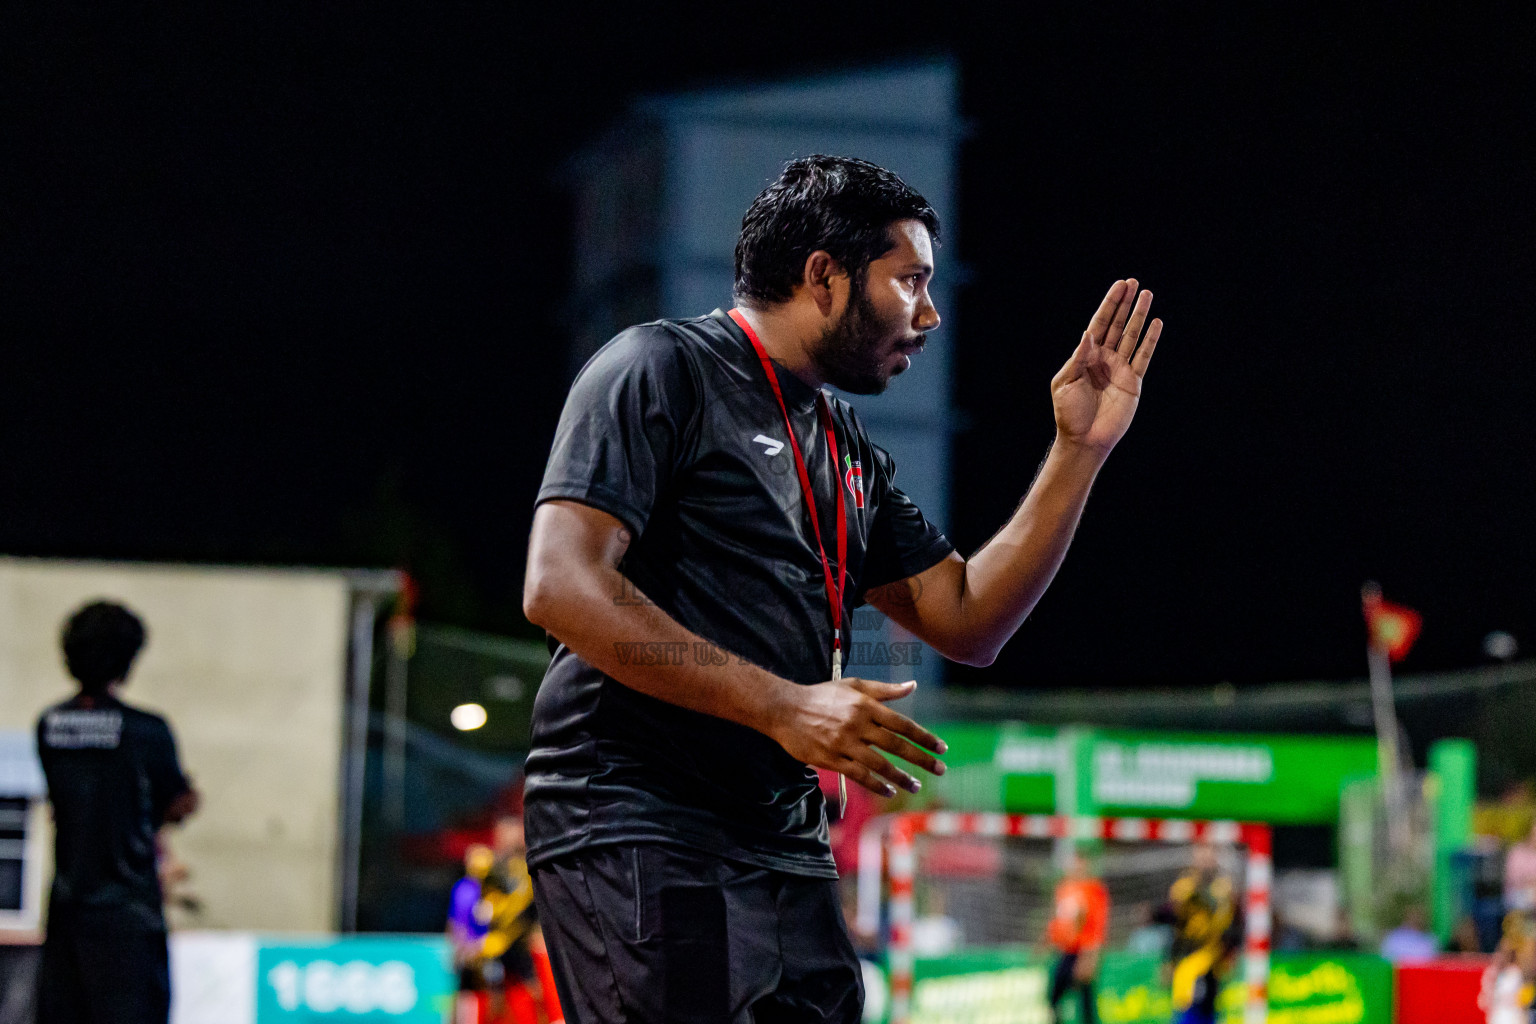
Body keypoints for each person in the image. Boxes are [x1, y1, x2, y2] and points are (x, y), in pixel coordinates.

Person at [522, 154, 1164, 1022]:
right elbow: (561, 585)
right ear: (823, 275)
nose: (929, 314)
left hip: (780, 837)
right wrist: (785, 705)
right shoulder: (657, 367)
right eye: (909, 281)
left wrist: (1078, 451)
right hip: (640, 817)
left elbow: (968, 619)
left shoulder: (845, 444)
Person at [34, 600, 199, 1024]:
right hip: (128, 918)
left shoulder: (49, 726)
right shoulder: (147, 731)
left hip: (68, 916)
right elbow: (174, 803)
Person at [1158, 844, 1241, 1024]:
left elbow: (1232, 924)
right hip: (1188, 958)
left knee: (1209, 1007)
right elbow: (1174, 924)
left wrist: (1231, 953)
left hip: (1213, 958)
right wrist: (1168, 960)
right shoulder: (1183, 887)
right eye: (1201, 853)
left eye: (1209, 853)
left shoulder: (1223, 888)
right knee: (1186, 1005)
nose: (1205, 858)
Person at [1044, 850, 1110, 1024]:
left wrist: (1090, 956)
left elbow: (1097, 925)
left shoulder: (1094, 889)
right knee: (1054, 995)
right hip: (1066, 950)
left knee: (1085, 998)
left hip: (1084, 950)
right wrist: (1047, 942)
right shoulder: (1064, 888)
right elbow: (1058, 921)